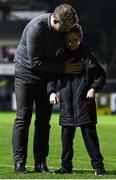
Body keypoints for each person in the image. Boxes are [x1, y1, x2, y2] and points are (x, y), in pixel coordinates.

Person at [12, 3, 83, 174]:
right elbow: (35, 62)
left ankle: (40, 163)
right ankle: (19, 163)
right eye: (67, 27)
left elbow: (65, 53)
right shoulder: (36, 28)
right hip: (26, 73)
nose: (70, 30)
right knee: (23, 118)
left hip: (47, 76)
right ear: (57, 22)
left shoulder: (64, 28)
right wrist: (63, 69)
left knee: (44, 122)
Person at [48, 25, 107, 176]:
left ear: (79, 39)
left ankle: (98, 166)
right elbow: (52, 77)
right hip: (67, 106)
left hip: (84, 106)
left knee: (90, 138)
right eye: (68, 40)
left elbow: (101, 76)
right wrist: (52, 92)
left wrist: (93, 88)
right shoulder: (61, 55)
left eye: (73, 40)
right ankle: (65, 166)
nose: (70, 43)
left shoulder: (88, 56)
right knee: (66, 141)